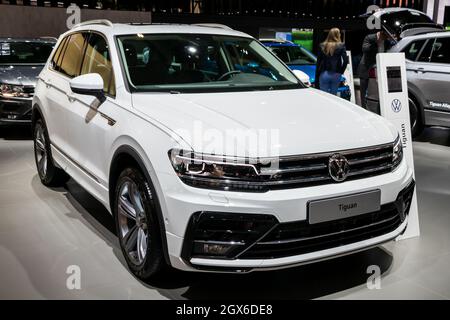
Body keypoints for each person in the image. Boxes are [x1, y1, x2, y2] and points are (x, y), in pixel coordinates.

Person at [358, 30, 393, 108]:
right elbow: (364, 49)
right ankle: (363, 108)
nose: (385, 39)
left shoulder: (386, 41)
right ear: (380, 34)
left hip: (379, 69)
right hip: (366, 68)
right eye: (384, 37)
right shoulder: (369, 37)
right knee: (364, 90)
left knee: (377, 90)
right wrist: (375, 42)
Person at [315, 28, 349, 96]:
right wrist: (341, 72)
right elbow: (345, 61)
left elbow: (318, 62)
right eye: (339, 33)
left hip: (324, 74)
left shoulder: (322, 45)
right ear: (337, 35)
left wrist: (317, 76)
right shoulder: (341, 46)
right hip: (336, 74)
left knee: (324, 96)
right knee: (333, 96)